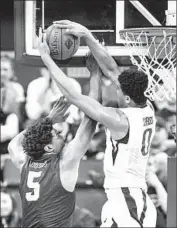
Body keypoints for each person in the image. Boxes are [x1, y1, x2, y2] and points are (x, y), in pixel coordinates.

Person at [38, 22, 157, 227]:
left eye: (118, 90)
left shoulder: (121, 120)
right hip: (131, 197)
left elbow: (74, 97)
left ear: (127, 99)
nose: (116, 89)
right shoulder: (147, 109)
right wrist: (87, 36)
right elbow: (111, 69)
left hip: (127, 202)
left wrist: (47, 59)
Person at [8, 55, 101, 227]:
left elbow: (13, 145)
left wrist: (48, 120)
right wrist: (95, 74)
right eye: (57, 135)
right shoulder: (64, 162)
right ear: (49, 146)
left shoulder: (25, 163)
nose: (62, 136)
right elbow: (91, 119)